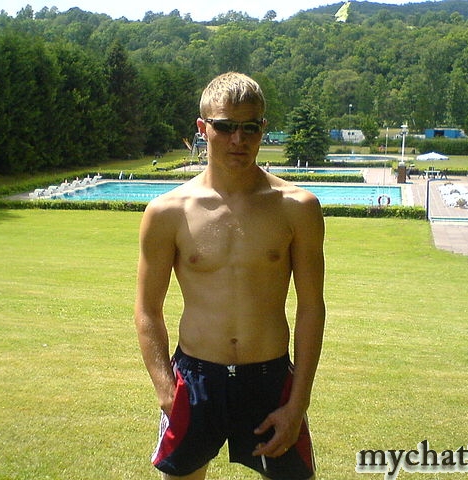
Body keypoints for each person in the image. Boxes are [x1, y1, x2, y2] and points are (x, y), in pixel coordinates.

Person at [134, 72, 325, 480]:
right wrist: (166, 392)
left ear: (263, 129)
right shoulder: (168, 212)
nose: (238, 139)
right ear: (203, 128)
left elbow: (311, 308)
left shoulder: (297, 207)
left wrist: (298, 403)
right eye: (224, 126)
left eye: (250, 127)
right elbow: (147, 309)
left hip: (270, 380)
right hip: (195, 379)